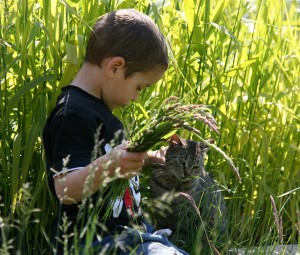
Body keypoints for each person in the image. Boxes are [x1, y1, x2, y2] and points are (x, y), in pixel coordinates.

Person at [43, 9, 189, 255]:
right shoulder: (73, 114)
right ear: (115, 67)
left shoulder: (108, 119)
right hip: (93, 243)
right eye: (139, 87)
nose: (136, 97)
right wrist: (110, 166)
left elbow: (116, 164)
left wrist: (151, 158)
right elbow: (64, 190)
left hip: (132, 237)